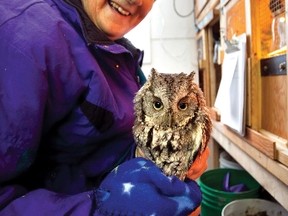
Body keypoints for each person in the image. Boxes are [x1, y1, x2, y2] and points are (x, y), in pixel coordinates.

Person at [0, 0, 209, 215]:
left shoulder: (112, 47)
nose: (135, 0)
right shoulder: (23, 37)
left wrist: (150, 160)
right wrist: (105, 210)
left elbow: (95, 150)